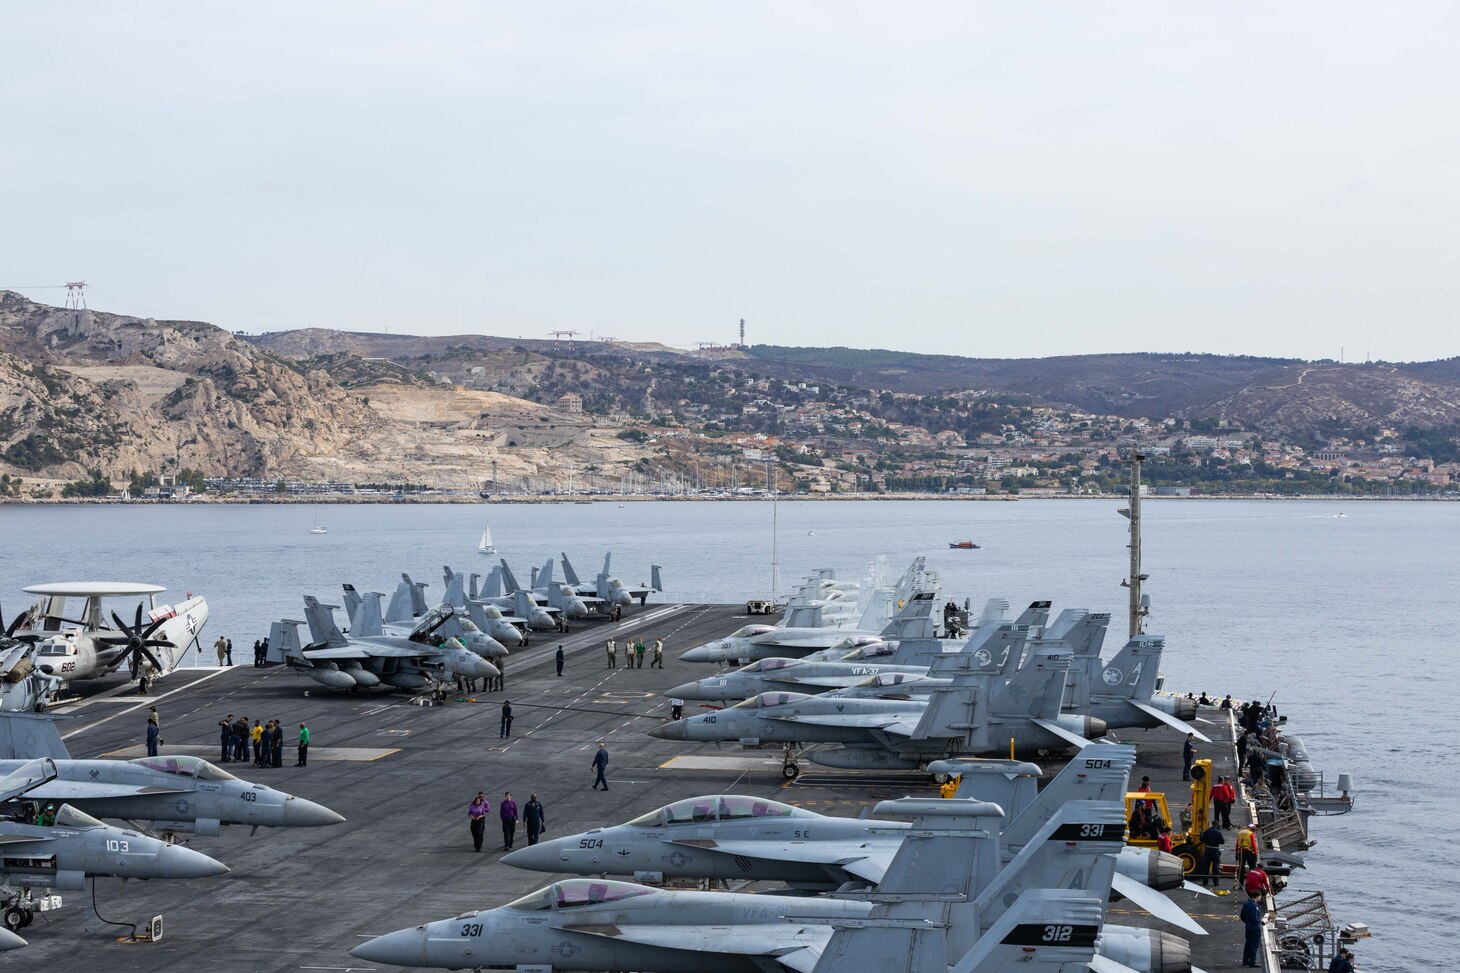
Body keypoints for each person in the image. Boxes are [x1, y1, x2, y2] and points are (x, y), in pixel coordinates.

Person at [1239, 892, 1263, 967]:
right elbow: (1254, 918)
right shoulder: (1254, 905)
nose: (1260, 898)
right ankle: (1252, 962)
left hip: (1248, 926)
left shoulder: (1246, 904)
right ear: (1258, 896)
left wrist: (1247, 922)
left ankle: (1245, 961)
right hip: (1255, 928)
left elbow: (1242, 916)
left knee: (1248, 944)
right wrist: (1260, 921)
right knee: (1254, 945)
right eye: (1260, 896)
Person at [1199, 822, 1225, 888]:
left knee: (1206, 866)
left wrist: (1201, 834)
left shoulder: (1207, 831)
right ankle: (1216, 882)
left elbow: (1202, 839)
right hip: (1215, 851)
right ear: (1216, 825)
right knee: (1215, 867)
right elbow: (1222, 841)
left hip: (1207, 850)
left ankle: (1205, 882)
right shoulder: (1218, 832)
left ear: (1212, 824)